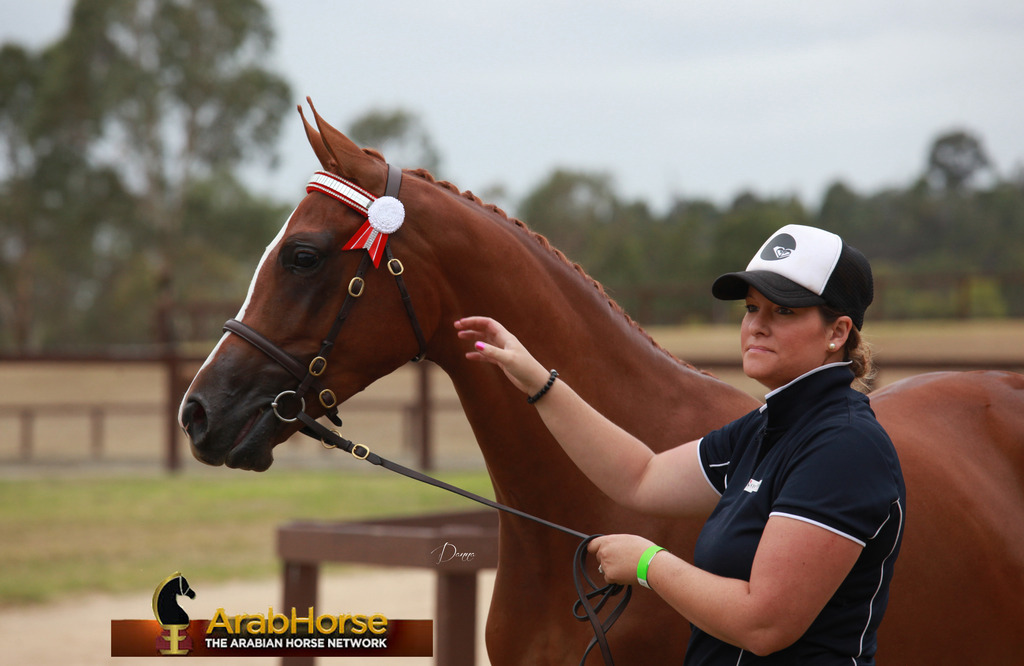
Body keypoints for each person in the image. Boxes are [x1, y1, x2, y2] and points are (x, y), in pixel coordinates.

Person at [454, 224, 905, 664]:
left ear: (837, 332)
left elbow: (763, 624)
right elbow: (641, 478)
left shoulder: (843, 446)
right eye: (752, 308)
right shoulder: (766, 426)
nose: (757, 326)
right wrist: (537, 380)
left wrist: (649, 564)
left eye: (784, 311)